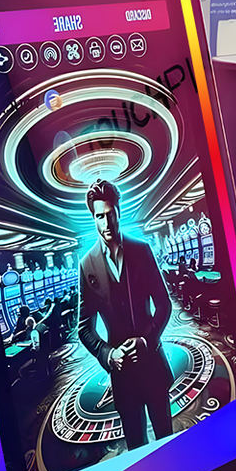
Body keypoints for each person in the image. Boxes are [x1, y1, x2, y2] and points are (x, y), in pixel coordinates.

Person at [78, 179, 173, 450]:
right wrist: (109, 354)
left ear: (119, 212)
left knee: (168, 441)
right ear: (93, 218)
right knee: (137, 449)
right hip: (123, 377)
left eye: (110, 214)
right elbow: (84, 329)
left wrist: (146, 340)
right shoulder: (86, 265)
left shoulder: (141, 250)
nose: (106, 223)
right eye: (99, 217)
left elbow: (164, 305)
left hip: (152, 365)